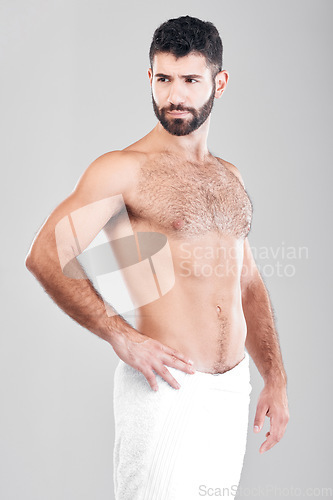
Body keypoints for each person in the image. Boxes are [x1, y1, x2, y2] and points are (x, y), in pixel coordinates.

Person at [25, 15, 289, 500]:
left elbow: (247, 281)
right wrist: (118, 335)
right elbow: (45, 254)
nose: (175, 96)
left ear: (219, 82)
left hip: (232, 390)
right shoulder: (123, 169)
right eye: (163, 78)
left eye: (190, 80)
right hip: (167, 387)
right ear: (150, 77)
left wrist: (274, 376)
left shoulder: (230, 177)